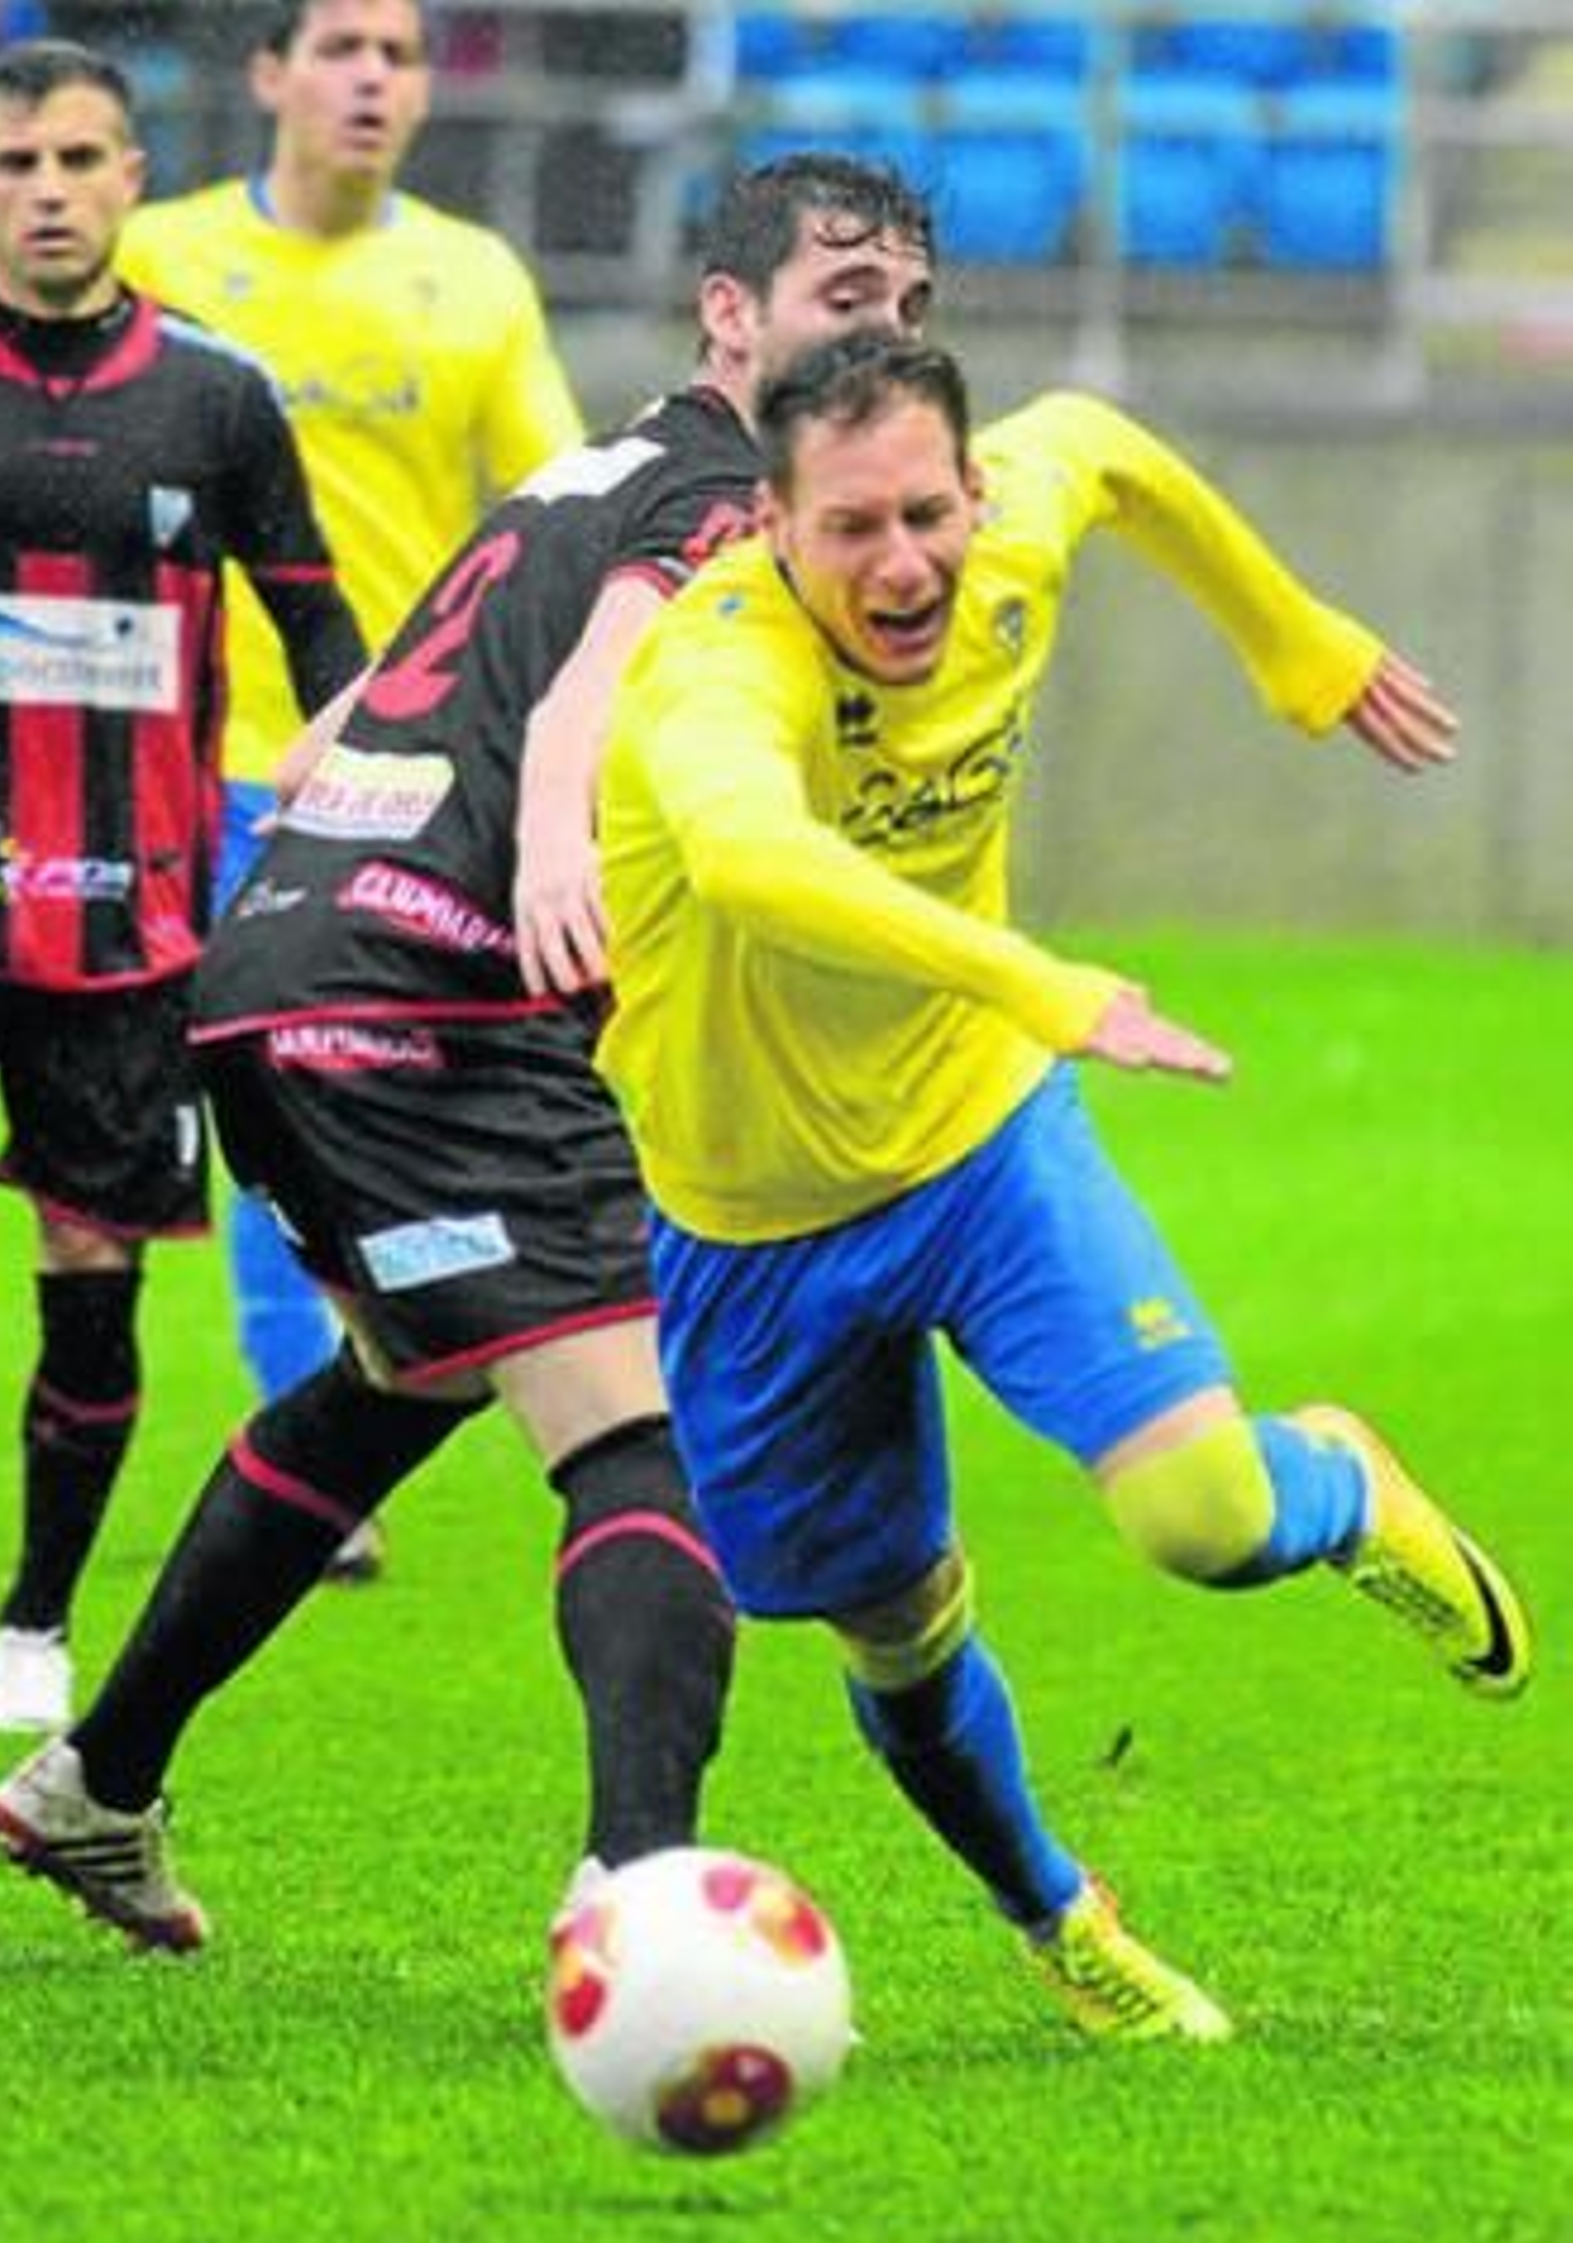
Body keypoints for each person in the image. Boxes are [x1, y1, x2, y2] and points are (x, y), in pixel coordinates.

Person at [0, 156, 938, 1951]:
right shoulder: (729, 500)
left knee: (401, 1380)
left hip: (286, 972)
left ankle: (92, 1786)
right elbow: (594, 686)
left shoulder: (588, 469)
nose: (882, 329)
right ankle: (639, 1893)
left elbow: (364, 699)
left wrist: (297, 902)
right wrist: (555, 844)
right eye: (844, 293)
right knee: (653, 1442)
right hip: (429, 1003)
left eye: (909, 305)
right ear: (729, 313)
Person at [587, 332, 1534, 2043]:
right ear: (766, 532)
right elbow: (750, 858)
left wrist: (1290, 639)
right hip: (750, 1224)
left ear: (970, 490)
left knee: (1209, 1523)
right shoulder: (714, 673)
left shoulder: (1012, 520)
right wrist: (1041, 980)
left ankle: (1341, 1484)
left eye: (931, 514)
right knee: (891, 1633)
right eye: (854, 529)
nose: (907, 564)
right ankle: (1059, 1917)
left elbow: (1102, 439)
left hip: (979, 1138)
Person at [118, 0, 585, 1578]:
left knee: (324, 1097)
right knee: (241, 1104)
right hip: (170, 755)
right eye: (341, 48)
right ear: (267, 74)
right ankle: (318, 1427)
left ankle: (372, 1404)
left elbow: (555, 504)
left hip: (384, 773)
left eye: (398, 53)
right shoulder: (162, 257)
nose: (373, 79)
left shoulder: (470, 279)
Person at [0, 39, 364, 1735]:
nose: (47, 192)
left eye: (78, 159)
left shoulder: (216, 397)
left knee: (92, 1272)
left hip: (125, 924)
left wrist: (353, 807)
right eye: (13, 164)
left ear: (135, 177)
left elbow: (324, 632)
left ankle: (38, 1621)